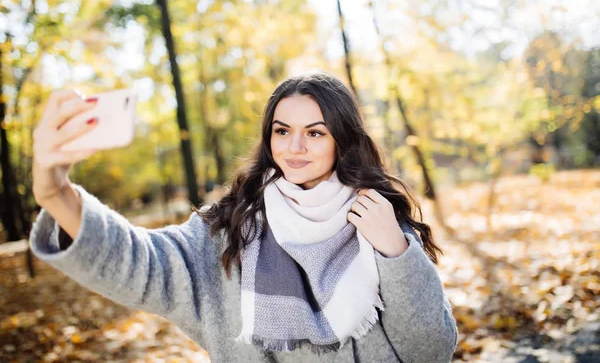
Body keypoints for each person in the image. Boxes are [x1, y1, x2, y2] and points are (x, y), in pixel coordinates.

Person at [30, 72, 458, 362]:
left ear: (341, 140)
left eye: (315, 132)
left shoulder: (375, 220)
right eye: (282, 130)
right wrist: (56, 193)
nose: (295, 148)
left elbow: (431, 350)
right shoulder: (230, 230)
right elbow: (142, 262)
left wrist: (396, 252)